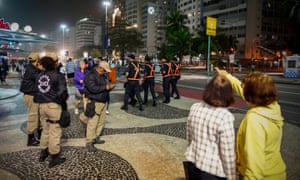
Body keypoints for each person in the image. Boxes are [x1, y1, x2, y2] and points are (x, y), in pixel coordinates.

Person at [215, 67, 286, 180]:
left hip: (262, 176)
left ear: (251, 95)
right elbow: (242, 89)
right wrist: (227, 76)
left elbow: (254, 168)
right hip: (276, 172)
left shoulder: (254, 120)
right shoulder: (272, 106)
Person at [185, 74, 236, 180]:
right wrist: (231, 176)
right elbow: (227, 152)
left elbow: (189, 135)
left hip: (192, 163)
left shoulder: (195, 107)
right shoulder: (225, 117)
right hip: (213, 170)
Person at [34, 52, 69, 168]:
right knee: (55, 131)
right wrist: (60, 101)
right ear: (55, 63)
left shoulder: (39, 75)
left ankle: (43, 152)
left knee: (45, 130)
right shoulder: (58, 75)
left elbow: (36, 90)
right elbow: (62, 92)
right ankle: (54, 157)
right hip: (53, 106)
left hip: (41, 106)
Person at [83, 61, 115, 152]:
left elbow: (103, 86)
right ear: (100, 68)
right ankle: (89, 141)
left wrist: (109, 89)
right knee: (93, 123)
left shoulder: (103, 75)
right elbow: (92, 89)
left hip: (103, 101)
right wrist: (105, 88)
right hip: (95, 101)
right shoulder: (90, 75)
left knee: (101, 121)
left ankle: (96, 137)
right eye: (104, 70)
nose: (105, 72)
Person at [20, 52, 43, 146]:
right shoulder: (32, 70)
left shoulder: (30, 67)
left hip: (31, 94)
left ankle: (39, 136)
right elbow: (39, 78)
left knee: (38, 116)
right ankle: (31, 139)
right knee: (33, 116)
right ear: (37, 61)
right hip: (31, 95)